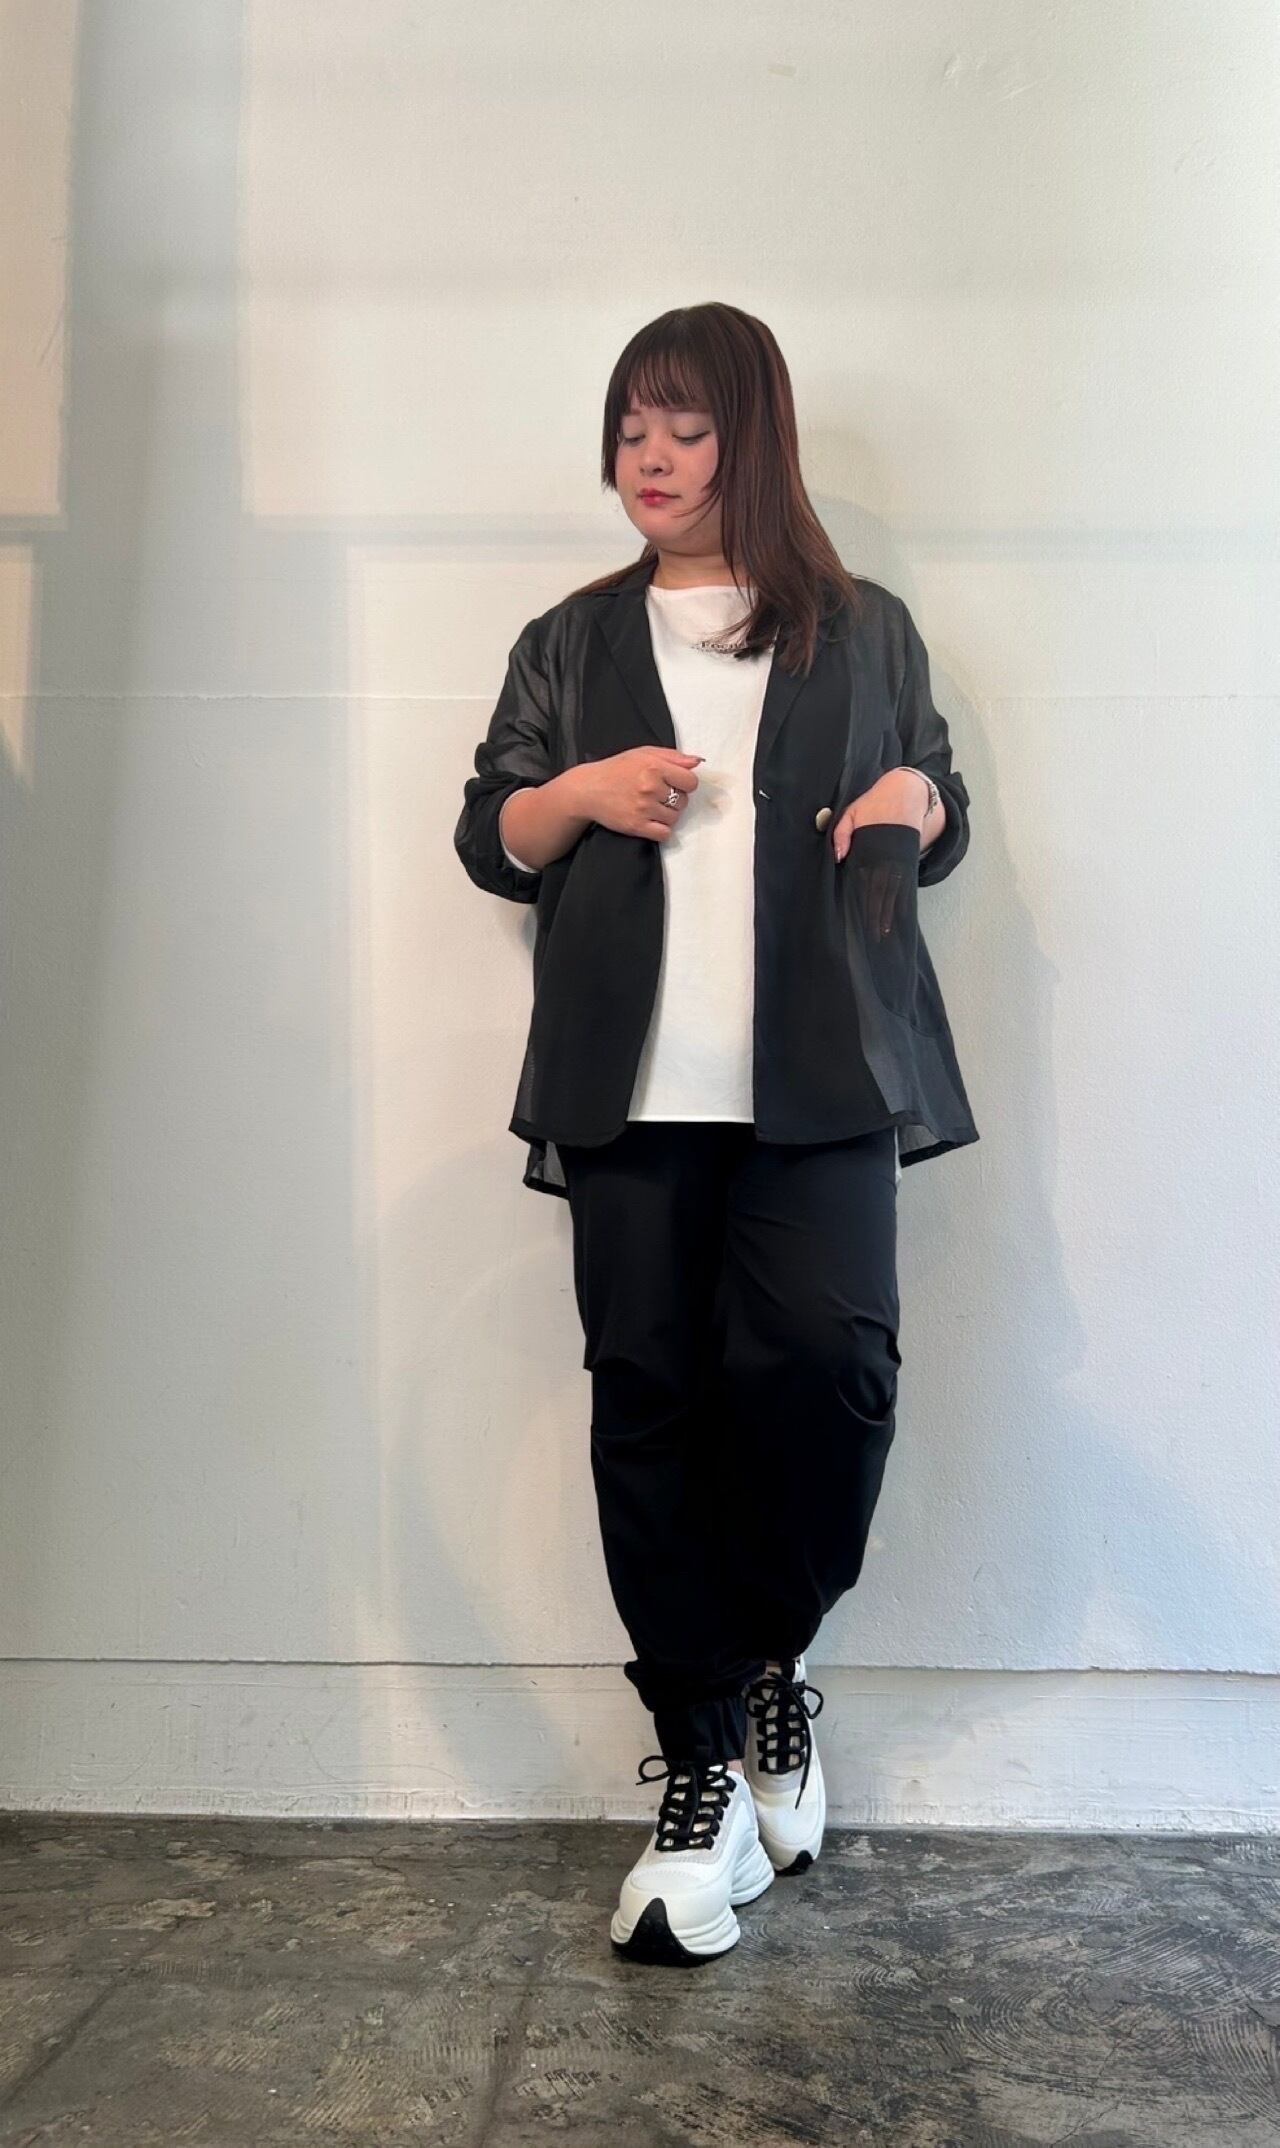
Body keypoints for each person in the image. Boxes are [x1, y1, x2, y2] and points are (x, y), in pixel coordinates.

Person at [454, 301, 979, 1966]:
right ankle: (697, 1766)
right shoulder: (571, 639)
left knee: (831, 1370)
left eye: (686, 427)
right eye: (631, 429)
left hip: (819, 1083)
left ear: (754, 440)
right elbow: (489, 830)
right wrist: (580, 796)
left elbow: (939, 800)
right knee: (650, 1401)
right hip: (632, 1095)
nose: (653, 458)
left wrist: (916, 805)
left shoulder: (862, 630)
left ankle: (772, 1667)